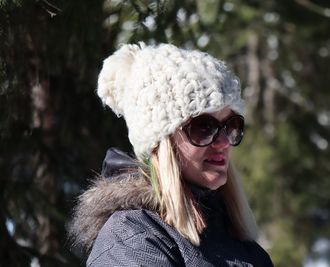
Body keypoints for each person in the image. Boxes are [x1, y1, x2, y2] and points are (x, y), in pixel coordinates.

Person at [69, 42, 274, 266]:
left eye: (231, 125)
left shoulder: (243, 246)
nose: (224, 142)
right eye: (203, 127)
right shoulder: (132, 239)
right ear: (161, 142)